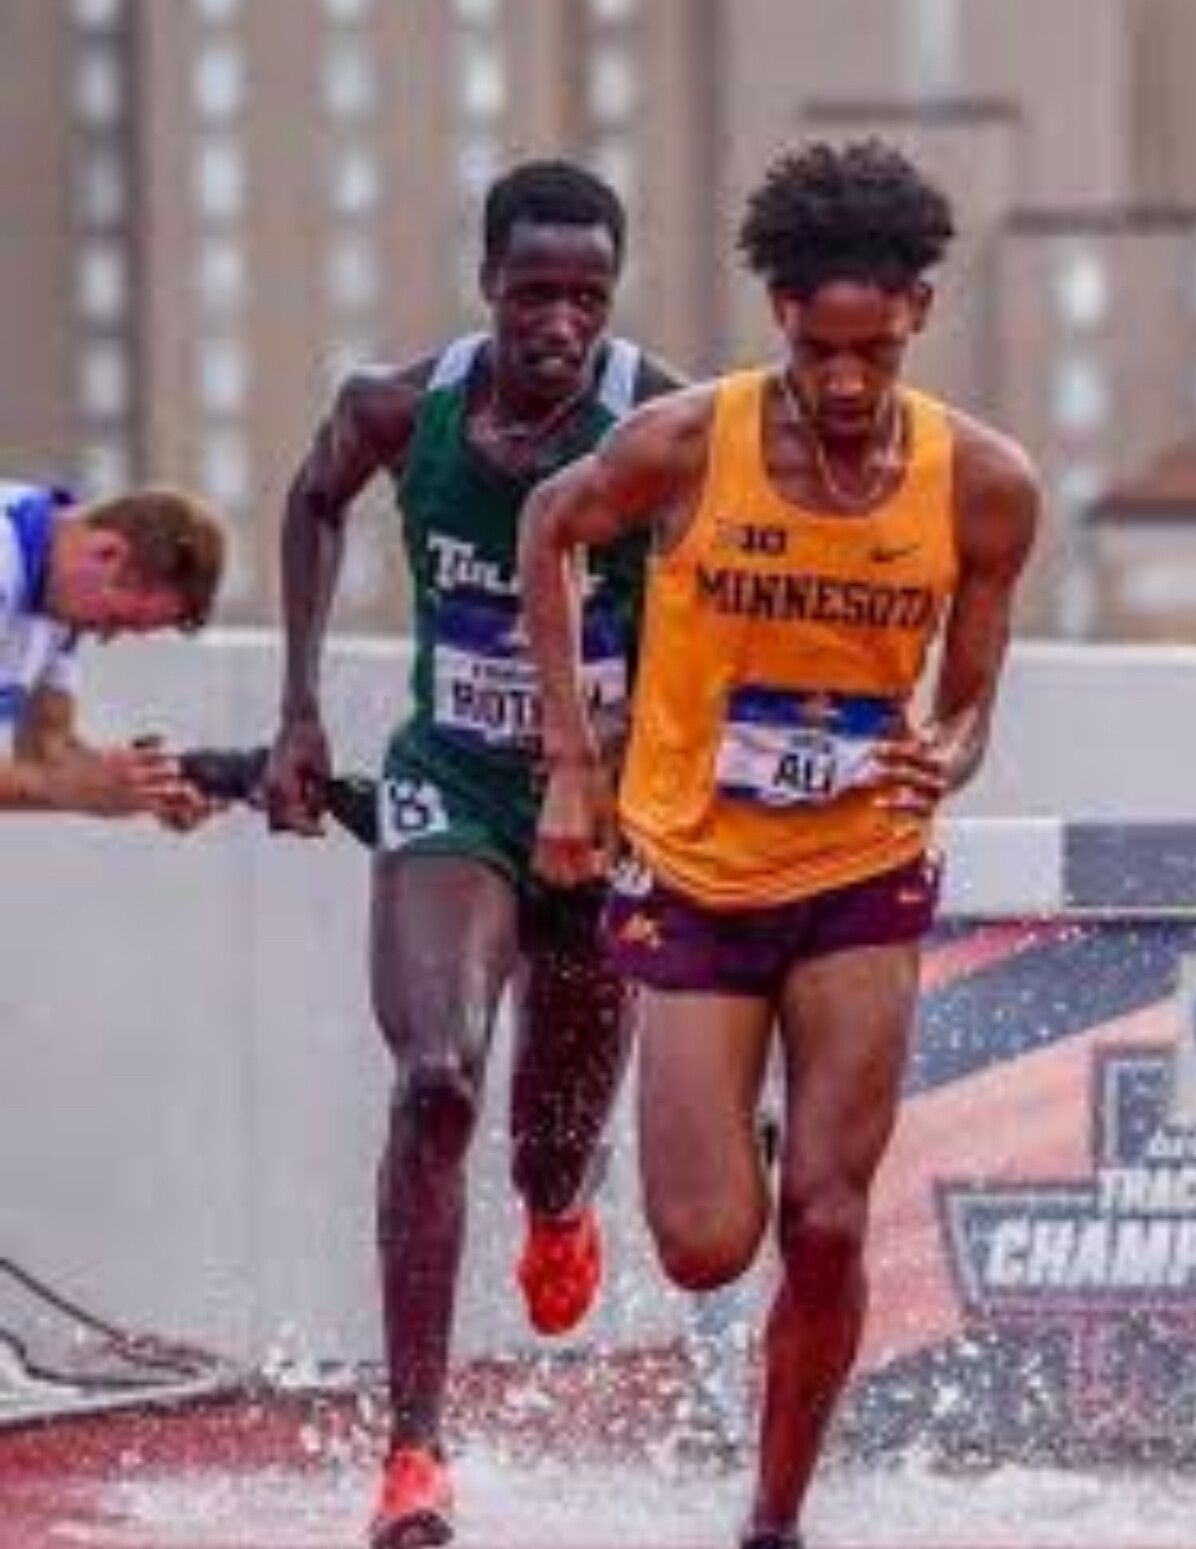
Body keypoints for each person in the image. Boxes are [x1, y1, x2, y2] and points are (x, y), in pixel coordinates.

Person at [519, 139, 1040, 1549]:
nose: (849, 382)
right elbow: (549, 526)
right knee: (706, 1246)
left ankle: (775, 1515)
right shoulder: (691, 443)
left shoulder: (983, 484)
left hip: (860, 869)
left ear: (920, 312)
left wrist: (950, 750)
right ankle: (748, 1121)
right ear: (782, 318)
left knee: (827, 1219)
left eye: (876, 350)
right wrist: (572, 761)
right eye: (821, 351)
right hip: (695, 870)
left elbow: (971, 699)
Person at [262, 159, 679, 1549]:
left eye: (588, 297)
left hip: (603, 808)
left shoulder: (661, 425)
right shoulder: (399, 408)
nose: (560, 323)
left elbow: (716, 599)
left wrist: (637, 766)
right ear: (488, 282)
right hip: (452, 784)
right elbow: (313, 499)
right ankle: (414, 1457)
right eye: (533, 292)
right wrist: (300, 709)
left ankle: (561, 1208)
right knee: (436, 1079)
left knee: (548, 1150)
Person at [0, 480, 225, 825]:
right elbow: (53, 780)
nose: (104, 638)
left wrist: (144, 787)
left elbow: (47, 751)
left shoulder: (57, 583)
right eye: (116, 621)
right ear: (108, 552)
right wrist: (63, 789)